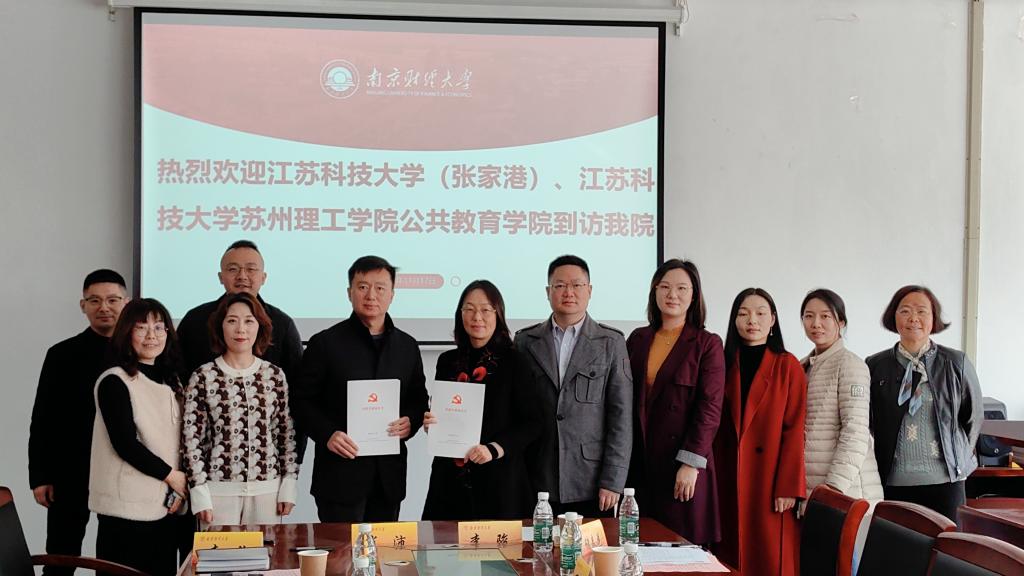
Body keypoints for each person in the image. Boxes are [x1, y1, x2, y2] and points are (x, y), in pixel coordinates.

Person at [292, 255, 429, 522]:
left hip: (388, 479)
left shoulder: (407, 346)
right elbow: (301, 401)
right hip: (339, 477)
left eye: (380, 288)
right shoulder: (325, 344)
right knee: (340, 549)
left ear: (392, 294)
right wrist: (327, 434)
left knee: (384, 549)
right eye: (363, 287)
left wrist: (410, 422)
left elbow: (418, 398)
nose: (371, 295)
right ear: (349, 292)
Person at [514, 254, 632, 518]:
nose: (568, 292)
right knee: (536, 544)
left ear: (589, 290)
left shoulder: (610, 343)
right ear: (548, 292)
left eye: (577, 285)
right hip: (536, 475)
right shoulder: (525, 342)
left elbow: (621, 417)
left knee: (591, 546)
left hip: (591, 480)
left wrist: (613, 480)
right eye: (560, 285)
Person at [28, 269, 128, 576]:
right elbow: (42, 417)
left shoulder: (137, 353)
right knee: (61, 556)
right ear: (83, 305)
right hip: (70, 470)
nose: (104, 307)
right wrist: (40, 476)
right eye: (94, 300)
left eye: (113, 300)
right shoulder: (61, 354)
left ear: (126, 303)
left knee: (115, 559)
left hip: (122, 472)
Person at [88, 298, 192, 576]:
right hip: (126, 509)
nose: (151, 336)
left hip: (163, 505)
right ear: (126, 332)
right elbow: (124, 443)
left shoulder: (172, 380)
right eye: (141, 327)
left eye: (159, 327)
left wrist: (175, 487)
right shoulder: (115, 380)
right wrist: (172, 477)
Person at [421, 280, 541, 520]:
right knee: (443, 543)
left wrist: (493, 449)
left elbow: (533, 423)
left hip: (499, 480)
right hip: (450, 481)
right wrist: (432, 424)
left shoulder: (516, 362)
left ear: (498, 314)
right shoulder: (447, 361)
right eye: (469, 309)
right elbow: (443, 412)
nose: (477, 317)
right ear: (460, 314)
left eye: (485, 309)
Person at [625, 259, 724, 546]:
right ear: (654, 291)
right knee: (638, 548)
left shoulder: (706, 343)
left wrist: (690, 463)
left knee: (681, 551)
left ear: (694, 295)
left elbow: (710, 407)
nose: (672, 295)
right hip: (641, 464)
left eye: (682, 288)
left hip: (682, 466)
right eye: (665, 287)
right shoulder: (638, 339)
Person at [181, 292, 299, 526]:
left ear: (260, 327)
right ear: (220, 327)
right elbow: (191, 439)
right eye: (232, 321)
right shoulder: (203, 376)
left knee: (267, 550)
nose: (240, 329)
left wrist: (289, 484)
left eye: (249, 321)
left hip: (268, 490)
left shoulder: (274, 375)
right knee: (218, 551)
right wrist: (199, 491)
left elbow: (285, 433)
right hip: (218, 491)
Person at [866, 285, 983, 521]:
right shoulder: (875, 365)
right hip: (893, 482)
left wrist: (958, 457)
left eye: (921, 311)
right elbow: (869, 422)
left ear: (933, 318)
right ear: (893, 317)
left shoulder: (955, 363)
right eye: (905, 311)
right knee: (895, 544)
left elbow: (973, 417)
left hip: (946, 481)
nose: (913, 318)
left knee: (947, 543)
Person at [713, 288, 806, 576]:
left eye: (760, 313)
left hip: (769, 478)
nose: (752, 320)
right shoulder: (722, 362)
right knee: (728, 555)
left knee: (769, 556)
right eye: (743, 313)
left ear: (773, 319)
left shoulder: (787, 365)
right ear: (734, 320)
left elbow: (794, 429)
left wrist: (789, 487)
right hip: (728, 474)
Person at [799, 289, 883, 505]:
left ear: (841, 322)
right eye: (809, 316)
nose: (816, 323)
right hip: (813, 487)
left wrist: (834, 488)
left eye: (825, 316)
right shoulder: (803, 366)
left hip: (846, 490)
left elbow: (856, 431)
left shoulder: (850, 365)